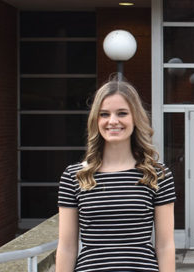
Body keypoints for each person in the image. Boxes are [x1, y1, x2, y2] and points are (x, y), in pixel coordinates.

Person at [56, 80, 176, 272]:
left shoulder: (157, 175)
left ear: (135, 118)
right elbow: (67, 247)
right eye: (104, 114)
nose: (112, 121)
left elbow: (165, 246)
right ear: (96, 119)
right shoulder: (74, 176)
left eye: (122, 113)